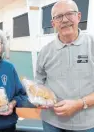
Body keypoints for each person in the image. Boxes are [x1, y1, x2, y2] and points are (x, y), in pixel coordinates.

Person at [35, 0, 94, 131]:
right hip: (51, 122)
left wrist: (79, 104)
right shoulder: (45, 52)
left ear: (78, 16)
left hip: (87, 124)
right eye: (59, 16)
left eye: (69, 14)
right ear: (53, 23)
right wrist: (39, 97)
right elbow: (39, 82)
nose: (65, 20)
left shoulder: (92, 45)